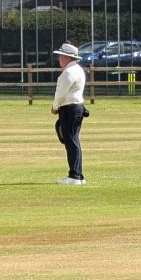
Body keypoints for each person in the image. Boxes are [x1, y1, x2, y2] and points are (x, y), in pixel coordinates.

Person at [51, 43, 87, 185]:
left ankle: (75, 176)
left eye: (60, 56)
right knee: (73, 141)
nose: (59, 58)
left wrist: (55, 107)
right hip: (75, 108)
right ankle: (77, 174)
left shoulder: (69, 72)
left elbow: (61, 93)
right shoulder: (76, 69)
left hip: (70, 108)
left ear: (67, 57)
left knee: (71, 141)